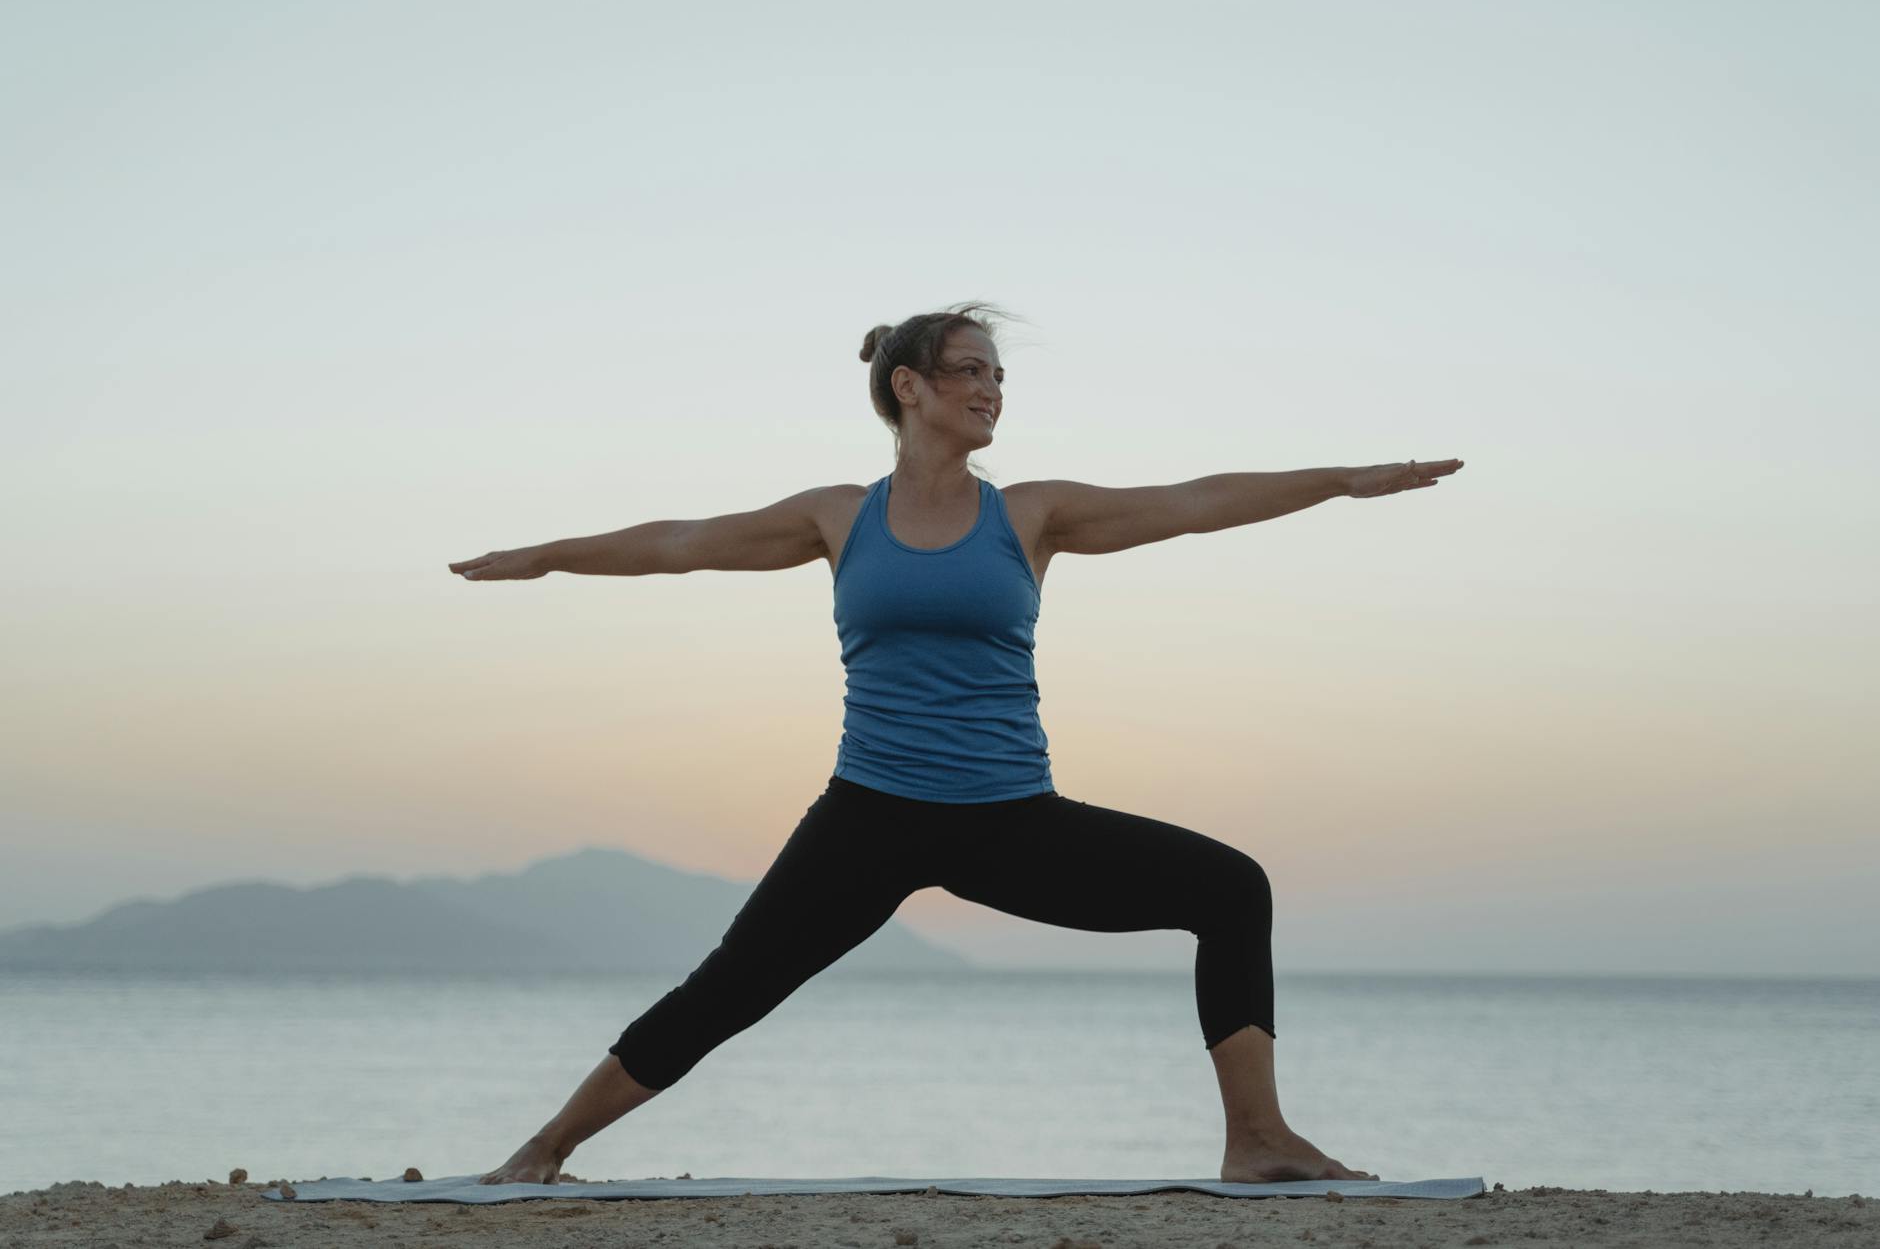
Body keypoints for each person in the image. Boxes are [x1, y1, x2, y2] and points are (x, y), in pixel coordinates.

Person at [449, 301, 1463, 1185]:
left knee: (1229, 887)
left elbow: (1193, 501)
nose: (991, 390)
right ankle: (541, 1147)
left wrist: (1340, 479)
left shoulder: (1029, 514)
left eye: (998, 375)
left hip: (1008, 818)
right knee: (730, 987)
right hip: (869, 814)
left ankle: (1257, 1137)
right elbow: (679, 541)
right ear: (909, 387)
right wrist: (544, 557)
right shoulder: (837, 517)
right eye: (970, 370)